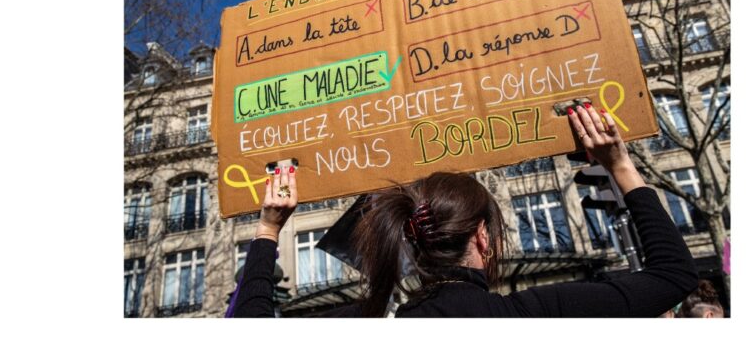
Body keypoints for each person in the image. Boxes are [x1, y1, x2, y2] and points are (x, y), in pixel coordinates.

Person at [232, 103, 699, 317]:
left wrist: (269, 229)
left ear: (412, 242)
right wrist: (620, 166)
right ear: (481, 237)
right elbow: (673, 277)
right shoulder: (535, 312)